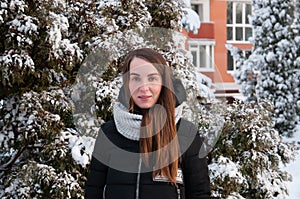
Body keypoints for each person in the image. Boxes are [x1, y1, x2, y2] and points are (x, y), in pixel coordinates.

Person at [85, 48, 211, 199]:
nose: (143, 87)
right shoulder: (109, 132)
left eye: (152, 78)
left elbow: (200, 193)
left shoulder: (185, 133)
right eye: (136, 78)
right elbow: (94, 191)